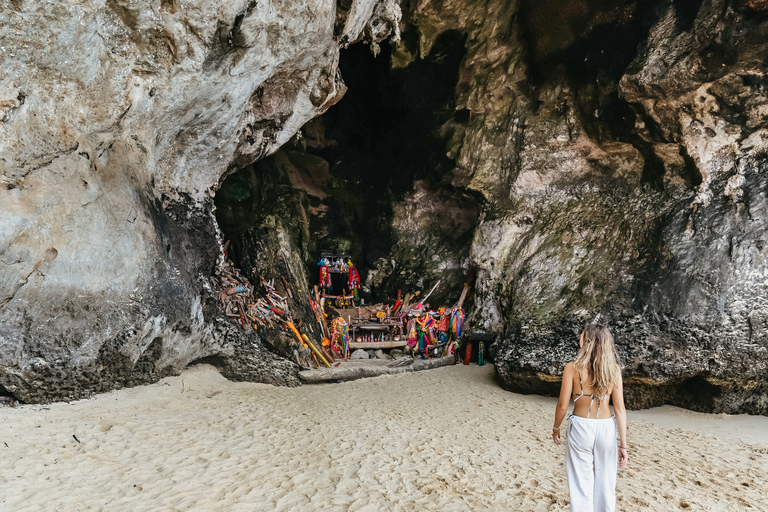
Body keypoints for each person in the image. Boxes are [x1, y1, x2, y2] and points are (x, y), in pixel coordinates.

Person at [552, 324, 628, 512]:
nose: (580, 335)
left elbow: (562, 405)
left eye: (583, 334)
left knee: (580, 482)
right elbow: (620, 409)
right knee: (606, 481)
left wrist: (556, 428)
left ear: (587, 340)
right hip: (606, 428)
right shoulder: (614, 370)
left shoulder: (572, 368)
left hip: (580, 426)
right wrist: (623, 445)